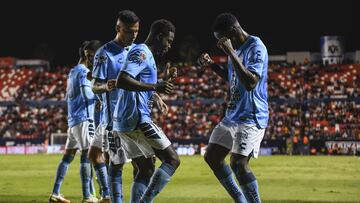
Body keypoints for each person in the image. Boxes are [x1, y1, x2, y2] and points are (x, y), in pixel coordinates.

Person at [198, 12, 268, 203]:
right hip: (233, 115)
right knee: (212, 156)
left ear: (232, 31)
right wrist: (212, 65)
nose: (220, 44)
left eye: (222, 40)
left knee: (238, 163)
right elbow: (234, 78)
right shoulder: (234, 50)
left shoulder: (256, 47)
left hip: (251, 116)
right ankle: (240, 200)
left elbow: (251, 82)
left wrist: (230, 52)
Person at [115, 19, 180, 203]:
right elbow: (122, 80)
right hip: (136, 118)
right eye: (168, 41)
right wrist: (155, 86)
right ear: (159, 36)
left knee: (146, 169)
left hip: (124, 122)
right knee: (172, 160)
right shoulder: (142, 51)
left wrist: (162, 80)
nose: (168, 46)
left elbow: (139, 81)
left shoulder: (146, 55)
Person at [89, 10, 141, 203]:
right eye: (129, 31)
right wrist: (106, 85)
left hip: (136, 118)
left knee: (144, 165)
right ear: (118, 28)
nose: (134, 35)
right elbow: (95, 86)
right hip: (114, 121)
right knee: (117, 164)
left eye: (136, 31)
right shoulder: (104, 53)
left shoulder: (136, 51)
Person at [49, 40, 102, 203]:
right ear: (90, 55)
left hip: (73, 120)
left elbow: (67, 96)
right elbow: (87, 95)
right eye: (96, 56)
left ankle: (55, 193)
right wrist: (100, 96)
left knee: (67, 157)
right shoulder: (84, 72)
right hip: (84, 120)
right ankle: (87, 196)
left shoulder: (72, 72)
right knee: (87, 156)